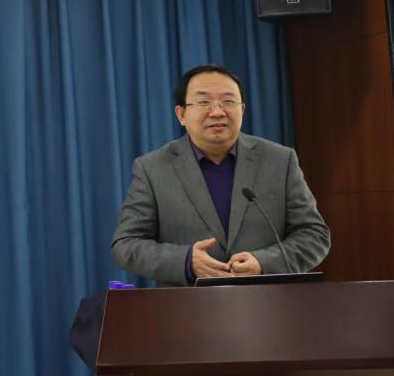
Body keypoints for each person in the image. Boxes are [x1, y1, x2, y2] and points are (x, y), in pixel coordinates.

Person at [111, 64, 331, 286]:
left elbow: (314, 235)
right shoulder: (152, 168)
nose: (217, 112)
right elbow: (126, 244)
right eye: (203, 102)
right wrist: (186, 261)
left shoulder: (280, 160)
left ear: (242, 110)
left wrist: (263, 262)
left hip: (267, 301)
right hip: (186, 304)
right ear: (182, 114)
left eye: (228, 101)